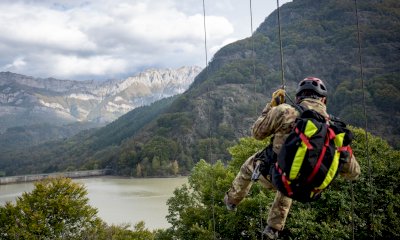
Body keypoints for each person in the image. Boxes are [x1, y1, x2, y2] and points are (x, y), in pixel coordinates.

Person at [224, 77, 361, 239]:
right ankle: (273, 228)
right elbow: (354, 172)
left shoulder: (285, 111)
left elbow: (257, 133)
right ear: (324, 100)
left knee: (252, 165)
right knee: (295, 175)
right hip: (312, 187)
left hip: (274, 176)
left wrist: (271, 106)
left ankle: (232, 201)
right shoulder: (335, 129)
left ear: (298, 98)